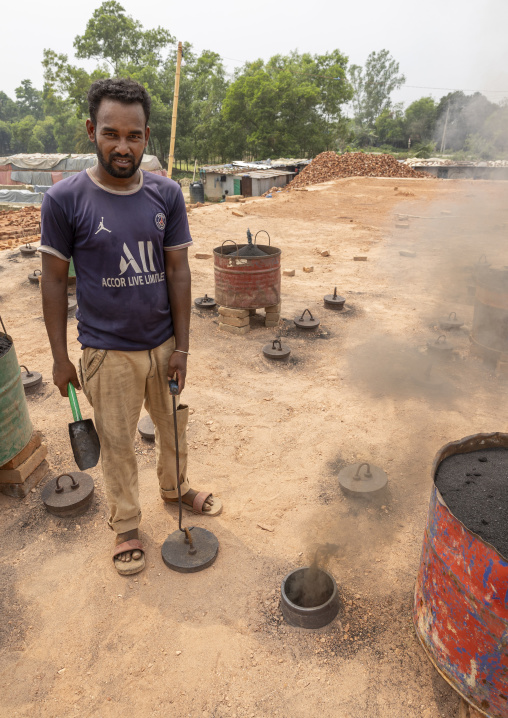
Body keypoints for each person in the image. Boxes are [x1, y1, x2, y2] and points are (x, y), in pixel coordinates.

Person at [40, 78, 222, 576]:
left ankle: (176, 489)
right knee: (117, 442)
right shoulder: (64, 200)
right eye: (111, 133)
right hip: (106, 350)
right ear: (90, 131)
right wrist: (60, 358)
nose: (123, 146)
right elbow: (55, 283)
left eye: (134, 135)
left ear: (147, 136)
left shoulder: (166, 193)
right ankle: (125, 525)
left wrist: (183, 347)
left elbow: (179, 270)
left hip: (162, 345)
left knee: (172, 428)